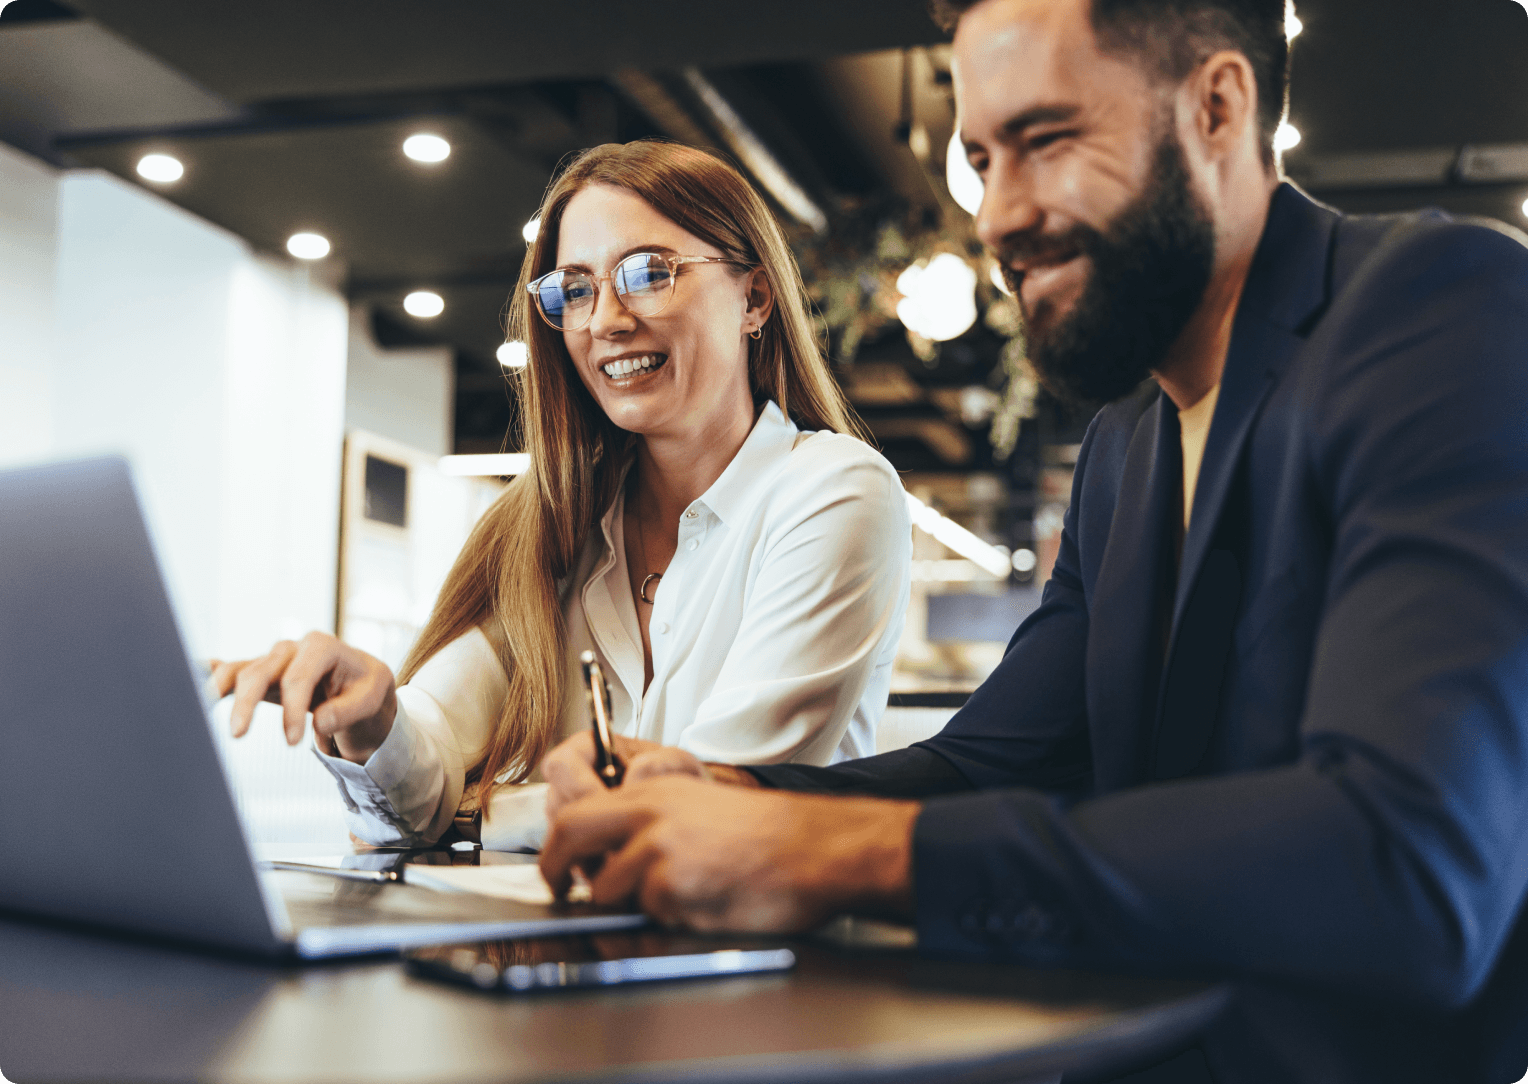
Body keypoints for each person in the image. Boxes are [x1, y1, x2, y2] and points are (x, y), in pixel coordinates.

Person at [536, 1, 1528, 1081]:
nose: (998, 216)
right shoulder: (1127, 442)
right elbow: (992, 762)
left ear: (1216, 106)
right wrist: (733, 794)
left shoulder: (1444, 309)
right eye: (976, 162)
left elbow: (1411, 863)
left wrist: (848, 854)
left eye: (1045, 141)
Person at [211, 140, 911, 851]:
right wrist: (374, 720)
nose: (606, 318)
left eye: (648, 273)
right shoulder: (554, 526)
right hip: (570, 952)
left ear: (754, 297)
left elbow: (712, 801)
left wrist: (479, 814)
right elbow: (424, 768)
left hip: (772, 954)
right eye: (574, 289)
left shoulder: (835, 492)